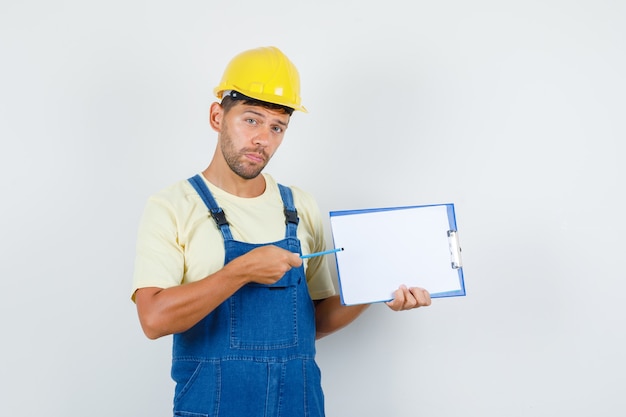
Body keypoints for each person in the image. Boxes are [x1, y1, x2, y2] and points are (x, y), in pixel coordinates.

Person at [132, 46, 432, 417]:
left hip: (299, 404)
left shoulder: (300, 207)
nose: (263, 139)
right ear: (217, 116)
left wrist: (373, 287)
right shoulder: (172, 205)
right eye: (251, 120)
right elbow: (154, 319)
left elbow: (315, 323)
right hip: (211, 406)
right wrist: (241, 271)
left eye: (277, 127)